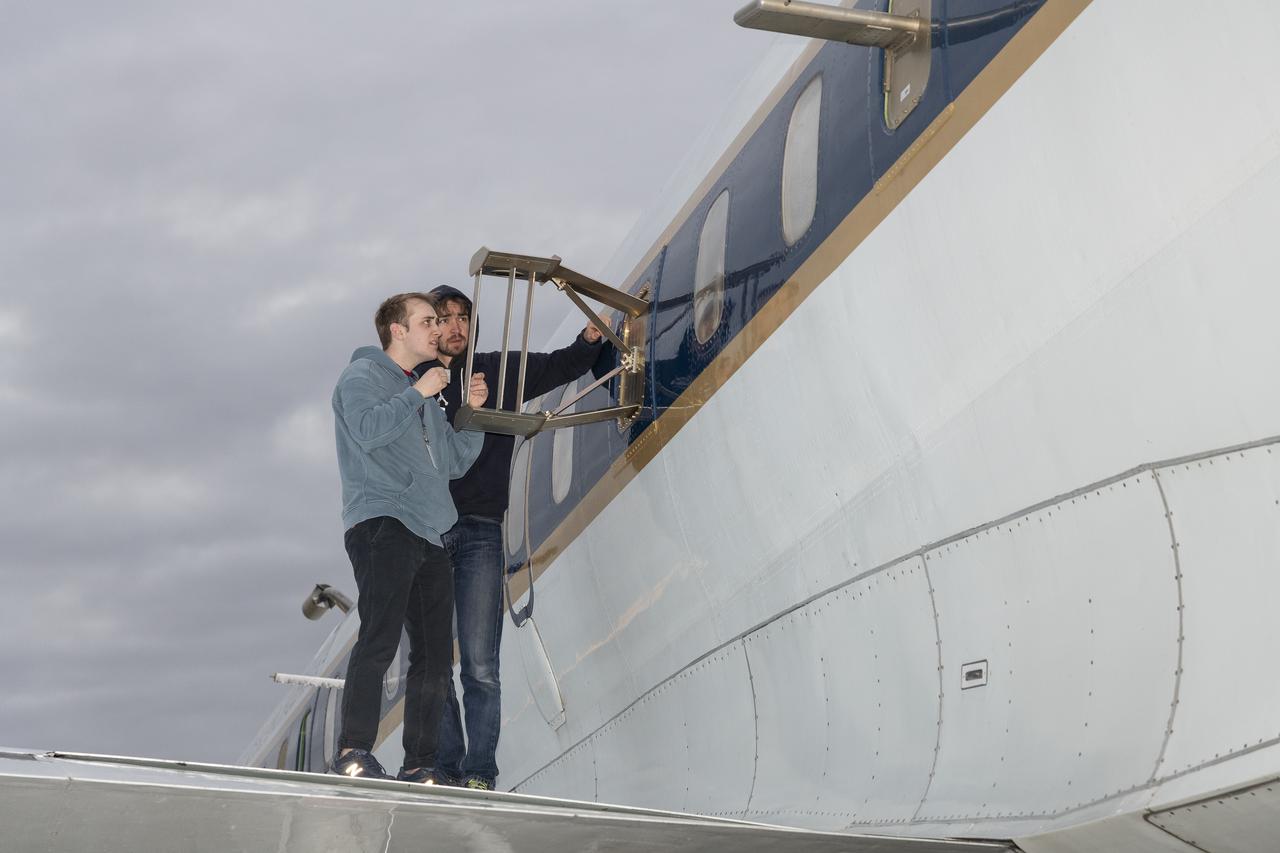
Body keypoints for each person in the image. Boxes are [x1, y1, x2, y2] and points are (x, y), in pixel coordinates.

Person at [419, 284, 609, 790]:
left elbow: (560, 365)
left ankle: (480, 773)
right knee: (433, 661)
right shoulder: (410, 382)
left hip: (481, 529)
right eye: (445, 317)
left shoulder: (498, 371)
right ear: (429, 327)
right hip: (423, 533)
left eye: (464, 316)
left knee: (480, 664)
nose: (456, 325)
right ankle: (445, 769)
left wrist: (591, 339)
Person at [330, 292, 488, 782]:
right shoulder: (361, 377)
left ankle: (421, 763)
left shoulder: (424, 395)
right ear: (398, 331)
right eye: (427, 322)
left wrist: (473, 414)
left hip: (430, 529)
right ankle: (353, 750)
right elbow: (366, 430)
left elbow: (455, 463)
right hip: (382, 521)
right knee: (378, 637)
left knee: (436, 657)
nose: (437, 329)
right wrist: (417, 393)